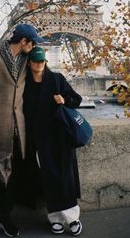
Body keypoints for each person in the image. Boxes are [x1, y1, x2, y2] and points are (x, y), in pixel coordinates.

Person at [0, 24, 44, 238]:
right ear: (23, 41)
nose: (34, 46)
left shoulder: (26, 61)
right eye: (32, 42)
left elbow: (44, 75)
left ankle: (6, 216)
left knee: (12, 179)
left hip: (18, 130)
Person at [23, 47, 83, 236]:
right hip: (39, 139)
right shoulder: (25, 84)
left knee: (65, 178)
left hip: (60, 137)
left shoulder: (57, 78)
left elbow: (77, 99)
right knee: (48, 179)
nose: (39, 64)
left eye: (42, 61)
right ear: (29, 63)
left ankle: (73, 218)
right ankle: (55, 218)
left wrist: (63, 99)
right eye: (36, 61)